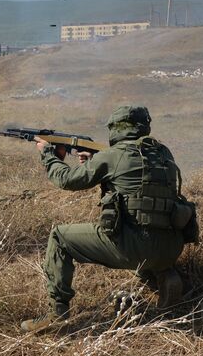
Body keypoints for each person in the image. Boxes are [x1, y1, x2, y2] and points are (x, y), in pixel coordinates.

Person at [21, 105, 186, 332]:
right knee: (149, 220)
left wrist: (49, 154)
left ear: (116, 128)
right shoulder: (163, 152)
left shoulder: (112, 156)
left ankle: (57, 314)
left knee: (59, 237)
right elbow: (134, 175)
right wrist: (97, 160)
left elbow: (66, 179)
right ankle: (166, 275)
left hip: (136, 247)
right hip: (170, 248)